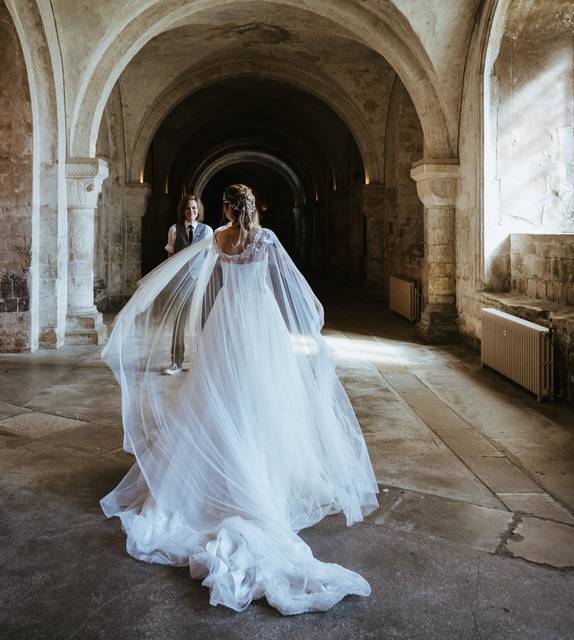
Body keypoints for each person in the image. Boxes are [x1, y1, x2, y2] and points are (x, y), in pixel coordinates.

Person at [100, 184, 379, 615]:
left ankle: (217, 467)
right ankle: (264, 471)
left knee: (216, 392)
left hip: (226, 321)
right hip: (259, 321)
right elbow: (286, 283)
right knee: (264, 395)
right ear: (252, 206)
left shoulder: (218, 239)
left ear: (228, 208)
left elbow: (201, 278)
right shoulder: (265, 239)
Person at [162, 194, 213, 375]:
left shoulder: (207, 230)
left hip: (199, 282)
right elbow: (170, 258)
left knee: (202, 322)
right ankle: (176, 361)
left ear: (198, 210)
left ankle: (202, 363)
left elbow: (208, 259)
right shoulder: (174, 230)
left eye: (193, 208)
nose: (190, 211)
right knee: (179, 322)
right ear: (182, 211)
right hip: (180, 283)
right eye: (187, 208)